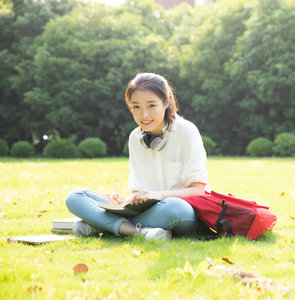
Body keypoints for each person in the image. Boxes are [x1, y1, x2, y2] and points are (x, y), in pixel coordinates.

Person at [65, 73, 208, 241]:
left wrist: (159, 195)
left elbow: (199, 190)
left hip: (179, 209)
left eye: (151, 105)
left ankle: (101, 225)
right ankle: (137, 231)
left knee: (175, 208)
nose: (144, 115)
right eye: (136, 107)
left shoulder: (186, 131)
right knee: (75, 196)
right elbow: (136, 193)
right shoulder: (135, 137)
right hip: (145, 211)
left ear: (166, 102)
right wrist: (122, 202)